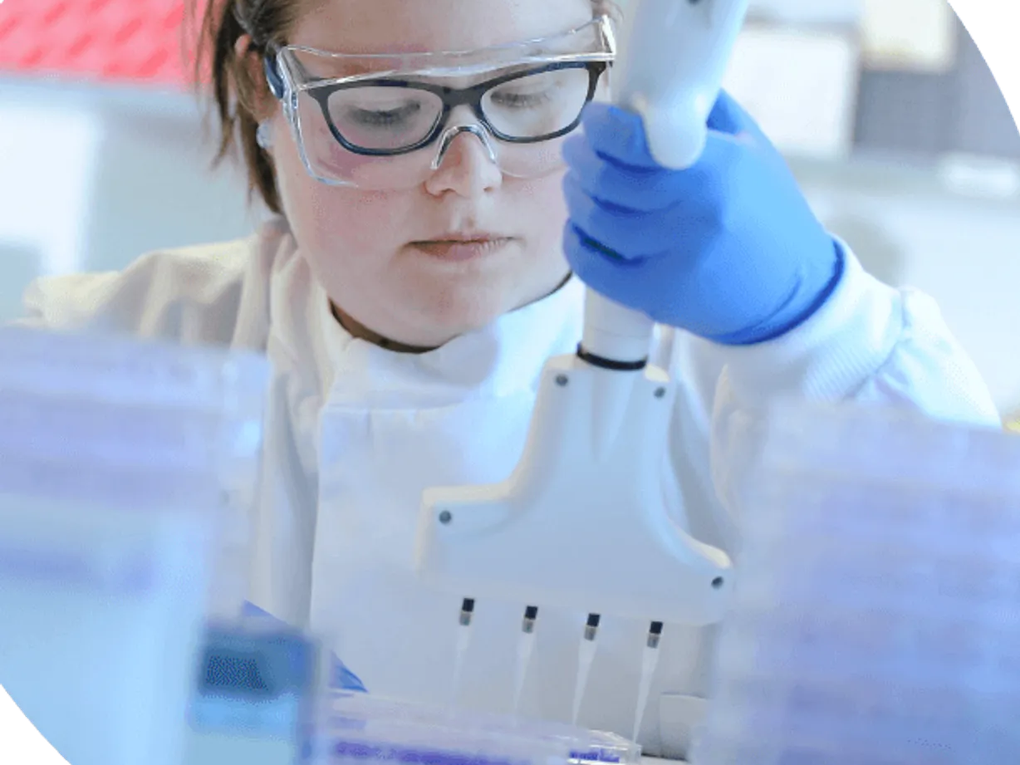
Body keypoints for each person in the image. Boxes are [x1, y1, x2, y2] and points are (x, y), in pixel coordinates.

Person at [19, 0, 1000, 758]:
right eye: (386, 109)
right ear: (260, 88)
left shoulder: (791, 382)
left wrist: (812, 322)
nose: (468, 175)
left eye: (529, 94)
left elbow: (976, 677)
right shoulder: (103, 356)